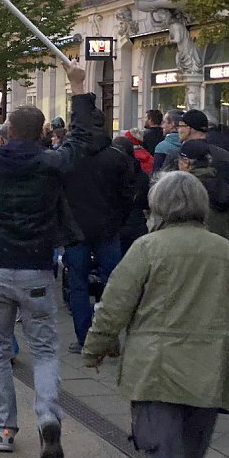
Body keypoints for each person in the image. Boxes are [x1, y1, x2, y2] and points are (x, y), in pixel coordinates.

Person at [82, 171, 229, 458]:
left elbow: (113, 306)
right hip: (209, 373)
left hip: (155, 372)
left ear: (158, 206)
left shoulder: (147, 248)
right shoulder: (223, 251)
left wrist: (95, 348)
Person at [0, 60, 104, 458]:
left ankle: (3, 428)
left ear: (7, 133)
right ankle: (48, 416)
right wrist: (79, 89)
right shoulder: (51, 163)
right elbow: (81, 140)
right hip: (38, 267)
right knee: (43, 349)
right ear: (42, 131)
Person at [63, 115, 135, 353]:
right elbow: (128, 195)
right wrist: (118, 221)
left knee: (78, 285)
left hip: (76, 231)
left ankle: (84, 338)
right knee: (113, 284)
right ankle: (109, 336)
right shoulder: (117, 158)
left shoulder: (69, 158)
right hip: (108, 229)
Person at [177, 139, 229, 244]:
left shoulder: (181, 189)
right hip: (222, 247)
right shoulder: (227, 189)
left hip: (191, 248)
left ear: (186, 162)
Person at [112, 137, 150, 256]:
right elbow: (146, 200)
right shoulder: (141, 173)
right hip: (137, 223)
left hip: (116, 224)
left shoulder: (113, 171)